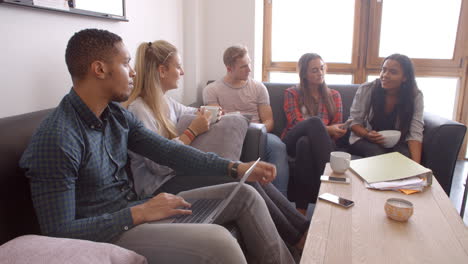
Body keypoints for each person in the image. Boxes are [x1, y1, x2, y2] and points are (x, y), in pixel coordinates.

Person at [19, 28, 295, 264]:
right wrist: (138, 212)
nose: (134, 71)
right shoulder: (58, 137)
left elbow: (169, 151)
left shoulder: (116, 116)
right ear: (100, 69)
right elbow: (58, 231)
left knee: (244, 194)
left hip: (136, 209)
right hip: (112, 230)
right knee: (220, 242)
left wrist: (235, 167)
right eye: (126, 63)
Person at [123, 39, 309, 252]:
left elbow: (192, 112)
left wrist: (213, 112)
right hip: (159, 187)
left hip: (177, 176)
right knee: (243, 177)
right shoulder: (139, 110)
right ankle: (299, 240)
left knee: (250, 174)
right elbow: (159, 166)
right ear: (162, 71)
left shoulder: (166, 102)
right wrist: (192, 131)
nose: (182, 72)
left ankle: (304, 230)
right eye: (178, 66)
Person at [203, 45, 290, 197]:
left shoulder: (258, 87)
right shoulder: (212, 90)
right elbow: (216, 122)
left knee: (278, 146)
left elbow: (269, 121)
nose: (249, 69)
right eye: (244, 66)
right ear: (229, 68)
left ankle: (280, 198)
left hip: (259, 133)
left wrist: (258, 133)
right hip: (229, 134)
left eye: (249, 64)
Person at [281, 53, 346, 215]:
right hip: (292, 139)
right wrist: (328, 129)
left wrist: (333, 130)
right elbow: (296, 122)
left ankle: (301, 210)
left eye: (322, 68)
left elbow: (338, 127)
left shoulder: (334, 95)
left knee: (305, 144)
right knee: (313, 123)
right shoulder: (292, 93)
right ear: (304, 73)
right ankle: (332, 187)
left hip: (321, 143)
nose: (320, 73)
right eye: (315, 70)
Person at [348, 53, 424, 163]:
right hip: (364, 139)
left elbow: (415, 133)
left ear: (405, 77)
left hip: (396, 142)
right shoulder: (368, 89)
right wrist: (368, 134)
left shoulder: (415, 96)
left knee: (405, 157)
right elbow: (353, 122)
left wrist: (417, 167)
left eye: (393, 72)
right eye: (383, 70)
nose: (385, 75)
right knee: (378, 154)